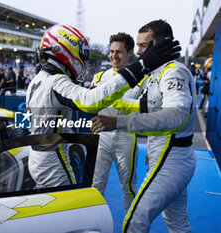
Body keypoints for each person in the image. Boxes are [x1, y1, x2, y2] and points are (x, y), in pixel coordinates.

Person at [26, 24, 180, 189]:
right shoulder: (56, 81)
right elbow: (90, 101)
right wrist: (140, 66)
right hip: (53, 158)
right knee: (65, 207)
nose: (83, 62)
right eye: (81, 56)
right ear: (65, 50)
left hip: (37, 154)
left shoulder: (38, 79)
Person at [90, 20, 196, 233]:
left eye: (143, 46)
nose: (138, 52)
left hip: (172, 156)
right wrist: (103, 100)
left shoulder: (173, 72)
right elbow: (141, 107)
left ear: (160, 45)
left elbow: (175, 117)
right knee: (176, 223)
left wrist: (118, 122)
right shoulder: (157, 74)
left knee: (133, 221)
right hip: (166, 153)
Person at [91, 33, 147, 214]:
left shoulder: (142, 78)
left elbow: (144, 110)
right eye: (111, 51)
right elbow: (90, 107)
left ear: (130, 52)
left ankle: (131, 227)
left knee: (129, 188)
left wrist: (108, 100)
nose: (114, 56)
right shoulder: (99, 77)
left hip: (126, 138)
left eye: (119, 52)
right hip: (101, 138)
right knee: (95, 188)